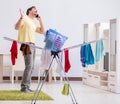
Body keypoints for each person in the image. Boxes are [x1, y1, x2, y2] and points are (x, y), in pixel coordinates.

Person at [15, 6, 44, 93]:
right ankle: (24, 87)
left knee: (31, 67)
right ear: (30, 11)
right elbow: (16, 27)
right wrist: (21, 17)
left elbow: (42, 31)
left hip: (33, 45)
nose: (36, 11)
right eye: (35, 9)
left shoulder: (33, 22)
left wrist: (40, 20)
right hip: (26, 44)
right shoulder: (25, 18)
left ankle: (27, 86)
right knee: (29, 66)